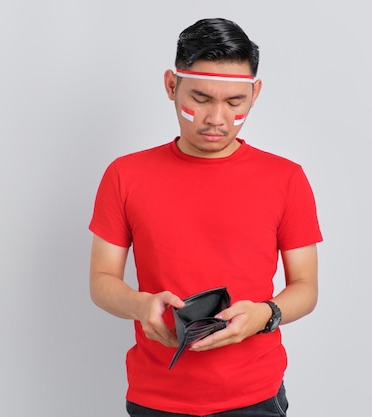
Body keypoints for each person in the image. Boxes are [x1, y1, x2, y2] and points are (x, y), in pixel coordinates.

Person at [89, 17, 323, 417]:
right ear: (170, 85)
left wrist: (265, 315)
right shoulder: (125, 174)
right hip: (156, 395)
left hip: (255, 396)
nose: (216, 118)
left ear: (255, 94)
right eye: (200, 98)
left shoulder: (286, 178)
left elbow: (305, 287)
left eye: (235, 102)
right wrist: (140, 304)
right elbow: (102, 281)